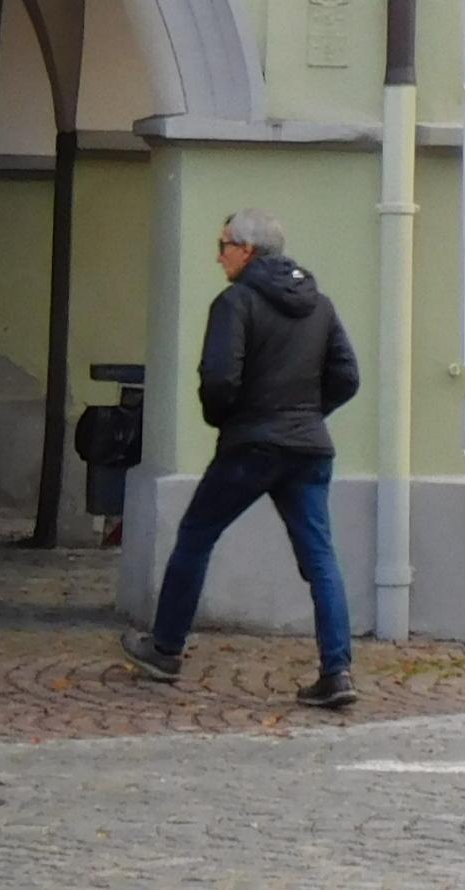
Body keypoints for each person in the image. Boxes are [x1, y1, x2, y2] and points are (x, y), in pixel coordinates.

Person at [119, 210, 363, 707]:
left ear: (247, 250)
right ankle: (337, 672)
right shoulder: (319, 305)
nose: (219, 256)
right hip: (309, 448)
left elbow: (218, 379)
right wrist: (308, 414)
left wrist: (228, 419)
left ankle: (165, 649)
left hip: (251, 445)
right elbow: (347, 376)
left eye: (224, 245)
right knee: (320, 558)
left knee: (196, 535)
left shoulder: (235, 302)